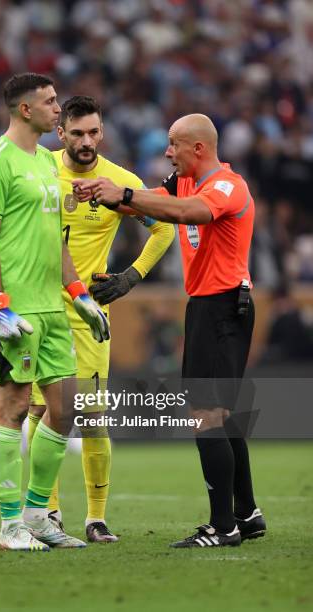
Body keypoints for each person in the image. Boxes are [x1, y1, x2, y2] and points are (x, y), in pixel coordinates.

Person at [74, 113, 266, 548]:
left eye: (173, 144)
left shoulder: (225, 186)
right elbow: (151, 201)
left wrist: (123, 191)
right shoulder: (185, 183)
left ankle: (223, 527)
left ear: (198, 149)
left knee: (207, 416)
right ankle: (247, 513)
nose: (166, 152)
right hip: (209, 307)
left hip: (222, 307)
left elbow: (186, 212)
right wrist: (100, 193)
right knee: (223, 415)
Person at [0, 73, 109, 551]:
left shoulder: (49, 165)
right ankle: (10, 526)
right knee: (11, 410)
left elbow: (58, 239)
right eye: (50, 102)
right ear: (25, 110)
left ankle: (37, 515)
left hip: (52, 309)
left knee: (63, 411)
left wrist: (80, 294)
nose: (58, 109)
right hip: (15, 310)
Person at [28, 96, 175, 542]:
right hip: (39, 307)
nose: (87, 141)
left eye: (94, 132)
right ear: (61, 134)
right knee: (40, 411)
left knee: (91, 416)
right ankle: (47, 514)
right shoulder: (37, 168)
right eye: (77, 133)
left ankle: (96, 518)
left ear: (102, 132)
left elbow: (164, 228)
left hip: (88, 312)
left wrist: (131, 277)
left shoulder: (119, 181)